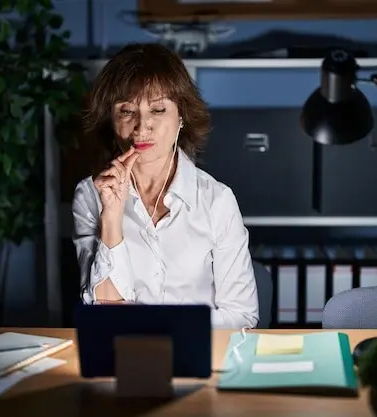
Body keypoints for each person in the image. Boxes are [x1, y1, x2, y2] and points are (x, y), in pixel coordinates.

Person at [71, 43, 259, 329]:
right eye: (126, 111)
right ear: (111, 119)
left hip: (201, 350)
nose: (142, 126)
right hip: (122, 351)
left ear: (181, 116)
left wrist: (162, 329)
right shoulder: (90, 195)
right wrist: (111, 217)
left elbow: (242, 315)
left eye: (158, 109)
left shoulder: (217, 199)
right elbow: (102, 314)